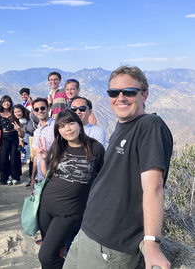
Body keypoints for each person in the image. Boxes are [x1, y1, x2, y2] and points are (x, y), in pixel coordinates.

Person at [64, 65, 173, 269]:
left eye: (129, 92)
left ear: (144, 95)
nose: (120, 98)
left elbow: (154, 187)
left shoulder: (150, 125)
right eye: (114, 92)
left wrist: (151, 243)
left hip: (111, 245)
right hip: (89, 231)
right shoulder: (122, 125)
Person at [36, 110, 105, 269]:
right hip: (46, 206)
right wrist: (44, 160)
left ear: (79, 124)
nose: (67, 129)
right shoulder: (58, 146)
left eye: (70, 123)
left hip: (69, 211)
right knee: (51, 254)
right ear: (58, 131)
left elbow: (105, 179)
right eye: (61, 126)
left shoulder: (96, 148)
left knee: (46, 257)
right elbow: (48, 175)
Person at [0, 95, 22, 185]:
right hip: (4, 137)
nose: (6, 103)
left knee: (15, 157)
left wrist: (21, 138)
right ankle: (4, 178)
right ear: (2, 103)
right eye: (4, 102)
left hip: (14, 136)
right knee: (3, 157)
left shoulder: (14, 113)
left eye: (8, 101)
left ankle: (15, 176)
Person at [31, 98, 54, 191]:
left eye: (42, 108)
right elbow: (36, 156)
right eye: (36, 109)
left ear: (48, 108)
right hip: (41, 178)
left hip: (54, 176)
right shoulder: (36, 132)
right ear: (34, 112)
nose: (40, 111)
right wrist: (32, 177)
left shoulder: (56, 126)